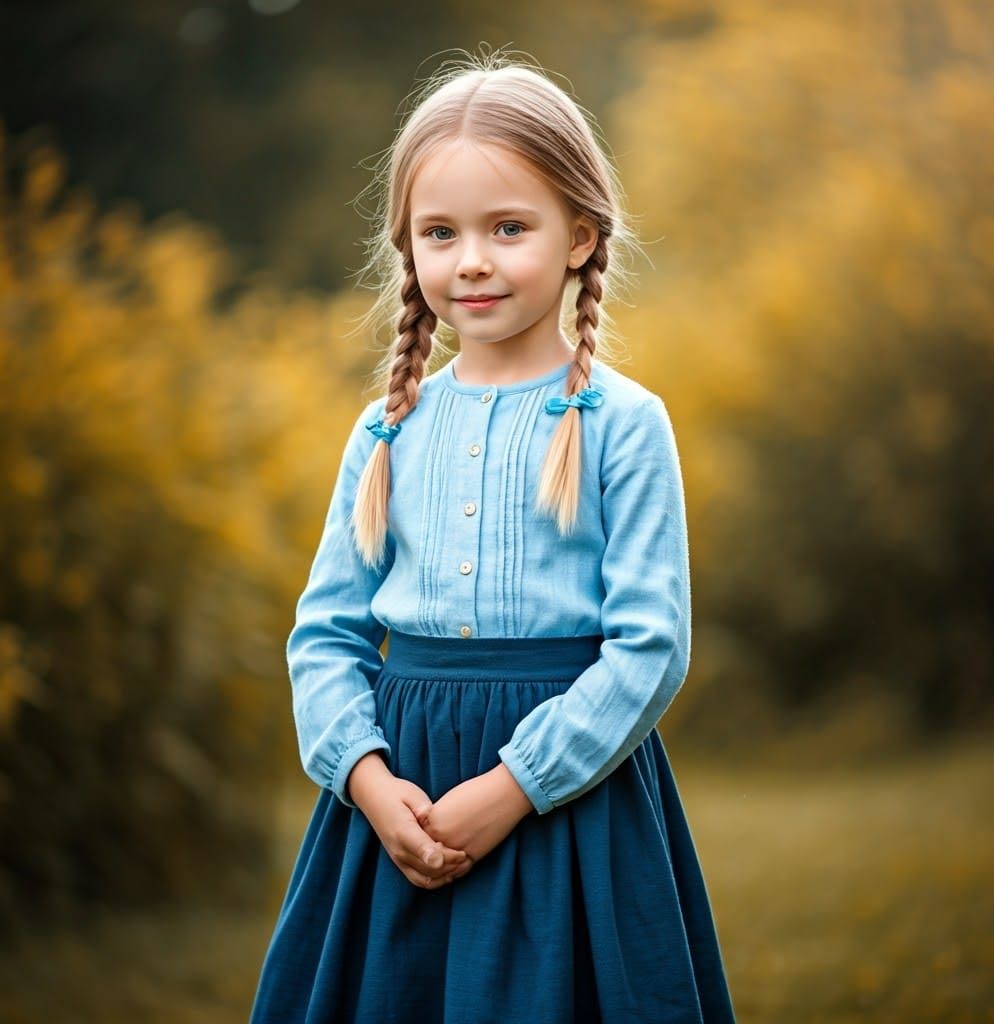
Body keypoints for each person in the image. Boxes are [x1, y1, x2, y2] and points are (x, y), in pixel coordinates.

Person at [250, 50, 737, 1024]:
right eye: (440, 232)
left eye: (507, 227)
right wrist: (368, 779)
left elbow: (648, 646)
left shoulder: (622, 423)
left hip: (568, 801)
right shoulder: (387, 427)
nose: (470, 259)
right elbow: (326, 635)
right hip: (400, 791)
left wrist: (515, 785)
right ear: (409, 248)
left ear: (577, 236)